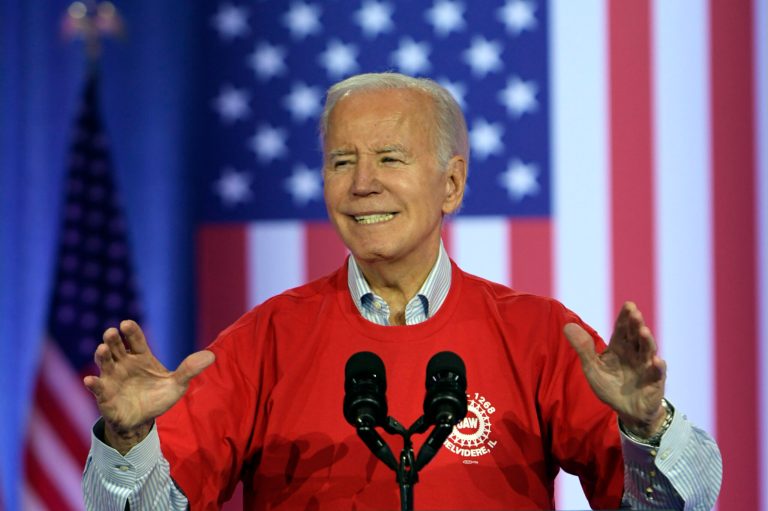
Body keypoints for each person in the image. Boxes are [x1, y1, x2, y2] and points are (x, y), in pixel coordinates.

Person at [82, 73, 722, 510]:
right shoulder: (265, 340)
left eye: (390, 158)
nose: (362, 184)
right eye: (341, 161)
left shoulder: (538, 335)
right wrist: (131, 442)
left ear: (451, 184)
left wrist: (646, 426)